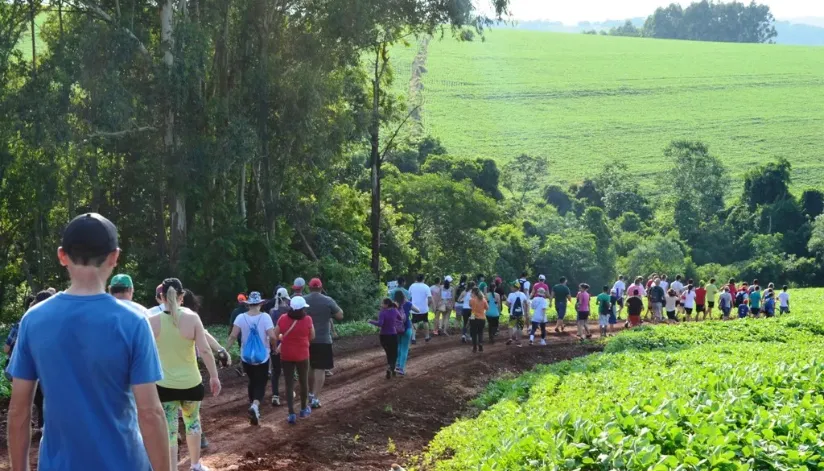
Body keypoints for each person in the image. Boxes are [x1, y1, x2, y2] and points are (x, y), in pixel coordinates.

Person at [7, 213, 170, 471]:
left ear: (62, 255)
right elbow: (150, 413)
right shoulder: (133, 321)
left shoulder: (34, 320)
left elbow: (18, 410)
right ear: (114, 257)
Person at [150, 278, 221, 471]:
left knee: (170, 431)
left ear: (161, 296)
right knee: (193, 423)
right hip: (191, 384)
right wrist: (214, 376)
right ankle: (196, 465)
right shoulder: (192, 318)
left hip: (164, 386)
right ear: (182, 296)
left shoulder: (152, 322)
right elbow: (205, 350)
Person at [225, 291, 276, 425]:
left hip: (246, 357)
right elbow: (272, 336)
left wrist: (224, 351)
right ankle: (255, 405)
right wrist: (274, 348)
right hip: (262, 356)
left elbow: (232, 336)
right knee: (261, 382)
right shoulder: (265, 317)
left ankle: (253, 406)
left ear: (248, 305)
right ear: (260, 304)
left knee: (252, 381)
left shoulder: (241, 317)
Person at [273, 296, 315, 424]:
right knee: (303, 382)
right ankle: (303, 409)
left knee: (288, 383)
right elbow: (312, 336)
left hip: (286, 355)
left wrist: (277, 345)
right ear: (302, 308)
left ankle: (291, 413)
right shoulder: (307, 319)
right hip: (302, 354)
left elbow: (275, 335)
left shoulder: (283, 318)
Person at [303, 278, 343, 409]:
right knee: (320, 369)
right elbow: (340, 315)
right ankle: (315, 397)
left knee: (309, 367)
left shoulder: (304, 300)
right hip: (323, 339)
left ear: (309, 288)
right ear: (321, 287)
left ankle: (309, 393)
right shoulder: (328, 300)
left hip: (306, 339)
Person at [370, 298, 404, 378]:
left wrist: (371, 321)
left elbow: (380, 324)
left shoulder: (382, 313)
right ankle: (392, 368)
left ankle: (390, 367)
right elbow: (400, 318)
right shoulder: (395, 310)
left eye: (382, 303)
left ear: (386, 304)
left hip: (383, 336)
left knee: (388, 353)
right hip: (393, 334)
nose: (381, 305)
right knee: (394, 353)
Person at [268, 287, 291, 406]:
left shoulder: (272, 311)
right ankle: (289, 391)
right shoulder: (289, 310)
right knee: (288, 370)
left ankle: (275, 395)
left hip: (274, 343)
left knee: (275, 371)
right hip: (287, 343)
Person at [393, 290, 418, 376]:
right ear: (403, 296)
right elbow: (417, 310)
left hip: (396, 329)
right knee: (404, 348)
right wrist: (408, 302)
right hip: (407, 328)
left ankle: (397, 365)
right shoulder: (407, 304)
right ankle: (401, 368)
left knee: (398, 347)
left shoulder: (393, 305)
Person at [409, 274, 433, 343]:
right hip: (424, 308)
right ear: (423, 279)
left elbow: (409, 296)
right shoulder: (426, 287)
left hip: (414, 308)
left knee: (414, 322)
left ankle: (413, 338)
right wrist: (427, 305)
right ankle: (427, 336)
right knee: (425, 322)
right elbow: (430, 298)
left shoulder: (412, 286)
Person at [505, 281, 529, 347]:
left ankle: (510, 338)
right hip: (521, 314)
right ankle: (519, 342)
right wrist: (526, 311)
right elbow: (526, 303)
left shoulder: (511, 295)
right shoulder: (523, 294)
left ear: (514, 287)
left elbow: (506, 303)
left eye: (511, 286)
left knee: (510, 326)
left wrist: (511, 307)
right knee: (519, 328)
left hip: (513, 314)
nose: (510, 288)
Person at [468, 287, 488, 352]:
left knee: (474, 333)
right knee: (480, 332)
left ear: (473, 293)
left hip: (473, 317)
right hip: (482, 318)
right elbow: (487, 308)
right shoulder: (484, 299)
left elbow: (470, 305)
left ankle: (474, 347)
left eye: (471, 292)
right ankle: (480, 345)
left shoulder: (472, 300)